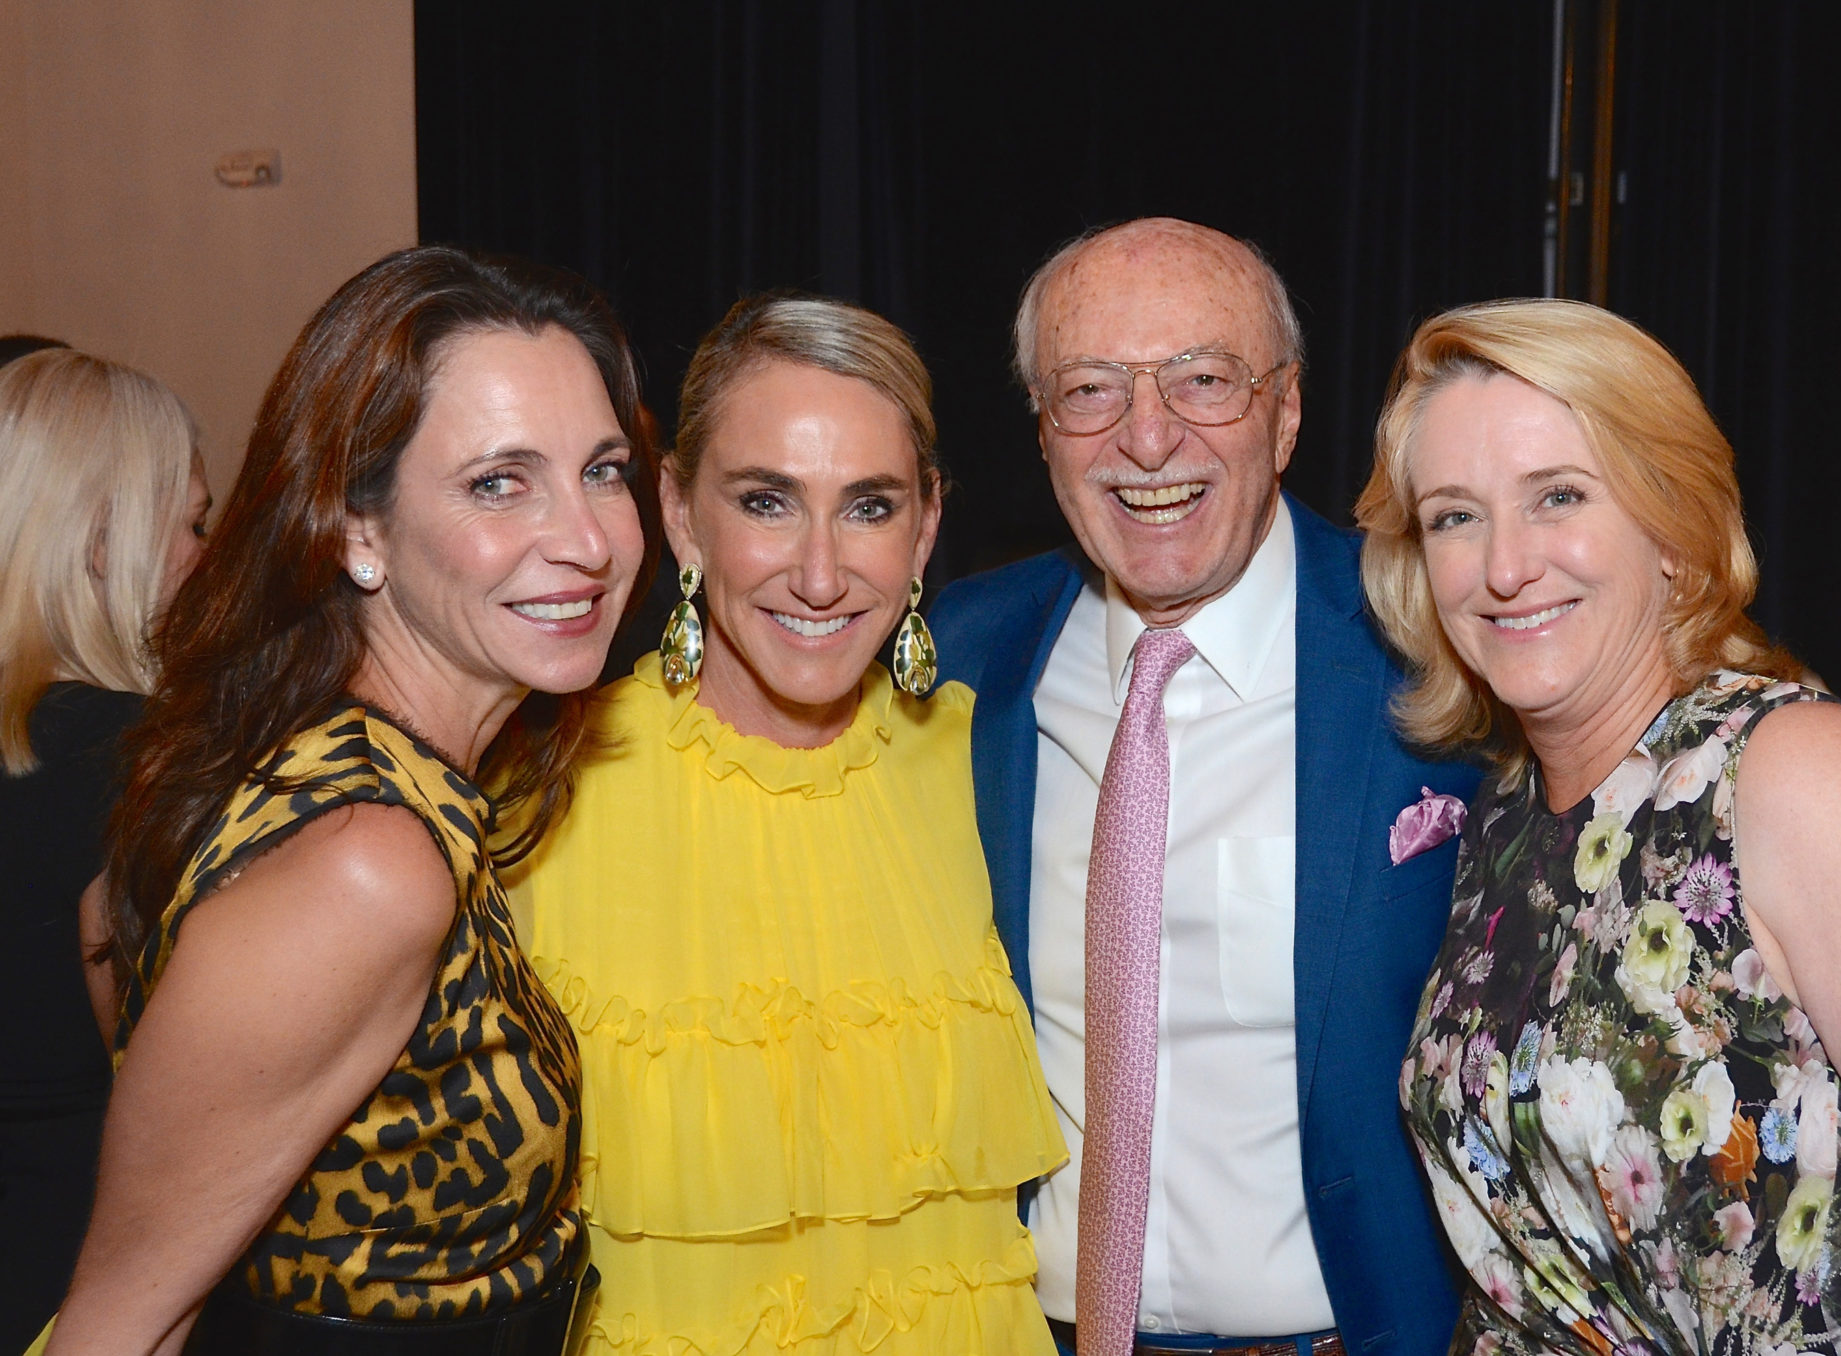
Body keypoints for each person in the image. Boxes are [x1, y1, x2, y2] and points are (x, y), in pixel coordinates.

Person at [1357, 297, 1841, 1352]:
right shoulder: (1499, 812)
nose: (1502, 566)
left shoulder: (1794, 774)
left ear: (1671, 532)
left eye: (1557, 496)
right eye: (1455, 514)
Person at [38, 245, 652, 1354]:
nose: (588, 541)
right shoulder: (368, 859)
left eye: (603, 470)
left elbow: (104, 926)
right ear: (356, 530)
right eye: (498, 482)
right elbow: (123, 1322)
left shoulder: (338, 764)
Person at [930, 217, 1482, 1356]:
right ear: (1041, 431)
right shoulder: (955, 660)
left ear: (1283, 413)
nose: (1146, 437)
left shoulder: (1441, 646)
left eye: (1202, 380)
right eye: (1089, 389)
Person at [506, 293, 1066, 1354]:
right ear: (676, 513)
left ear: (926, 525)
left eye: (867, 506)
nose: (818, 573)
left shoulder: (992, 762)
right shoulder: (537, 790)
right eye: (766, 502)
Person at [0, 348, 209, 1352]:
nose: (204, 557)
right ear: (102, 538)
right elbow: (179, 1119)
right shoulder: (144, 763)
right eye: (194, 521)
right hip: (81, 1283)